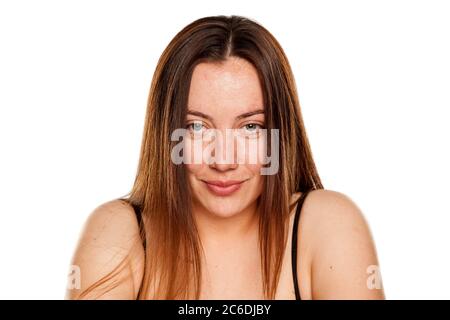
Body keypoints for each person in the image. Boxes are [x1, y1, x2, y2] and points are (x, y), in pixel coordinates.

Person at [66, 15, 385, 300]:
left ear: (280, 135)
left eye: (250, 127)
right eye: (196, 127)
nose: (223, 160)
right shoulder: (120, 231)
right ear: (166, 134)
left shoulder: (325, 224)